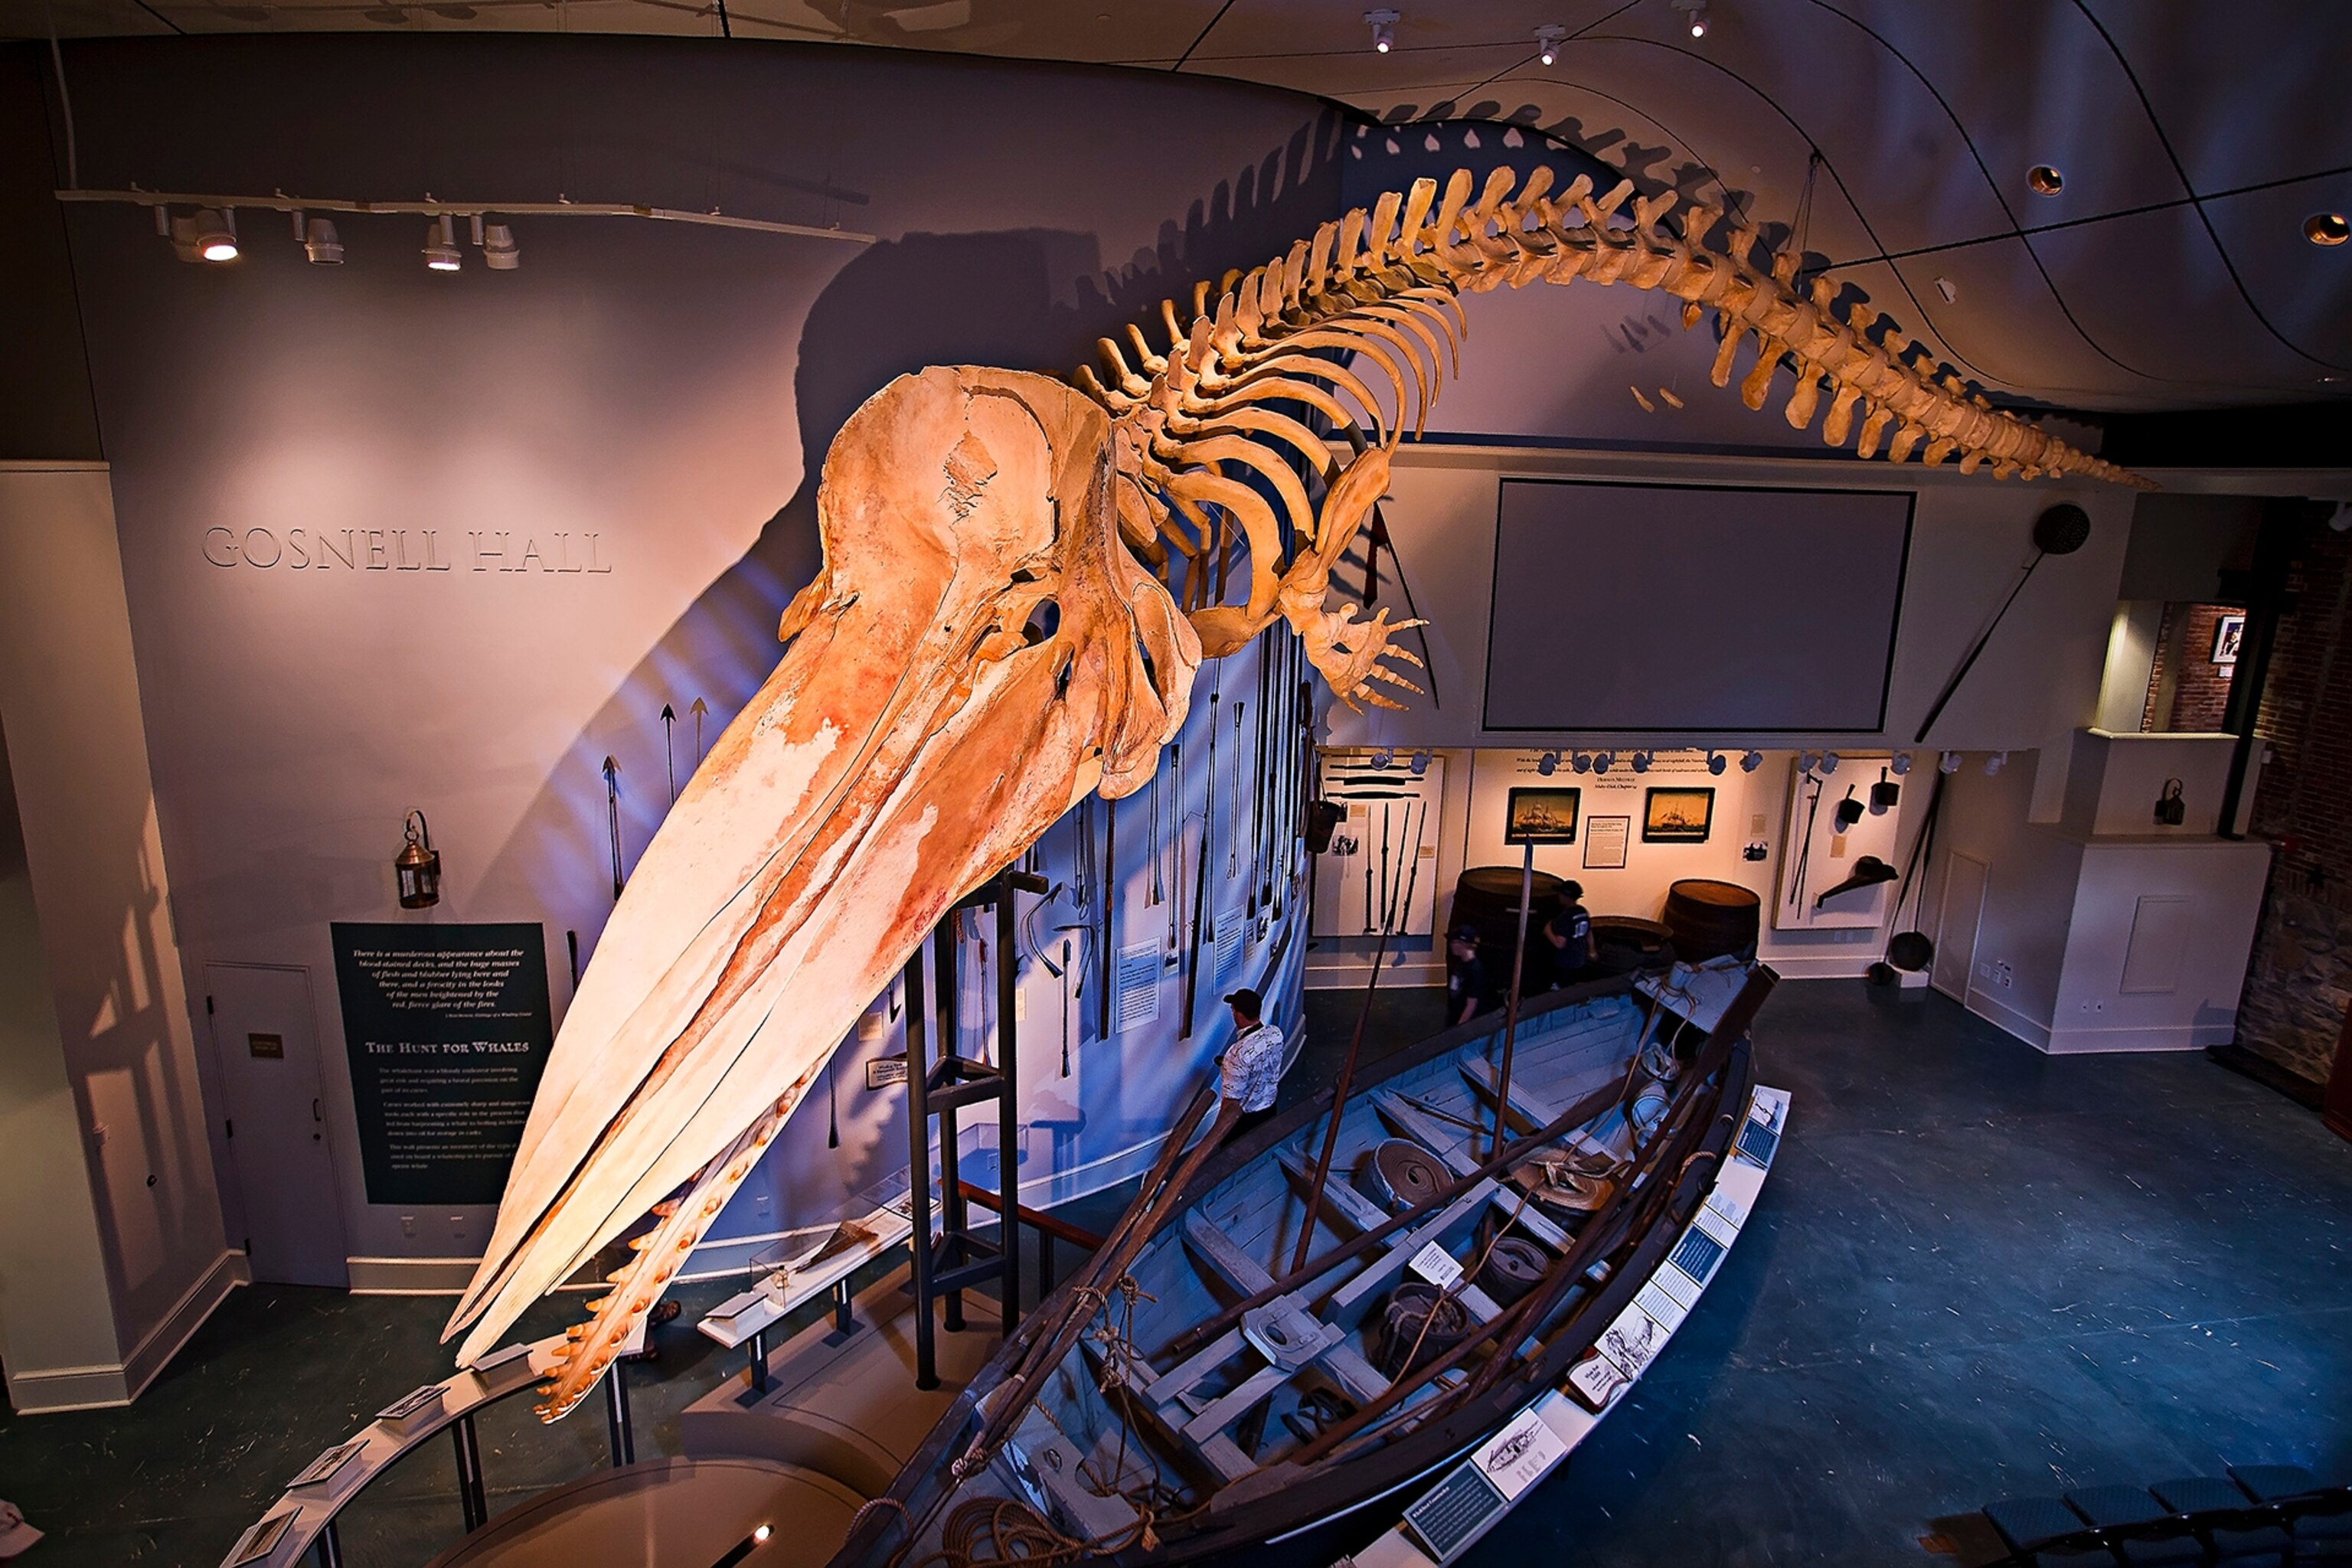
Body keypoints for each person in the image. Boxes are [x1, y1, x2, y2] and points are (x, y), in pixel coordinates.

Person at [1218, 987, 1286, 1138]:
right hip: (1270, 1109)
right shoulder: (1275, 1034)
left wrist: (1218, 1132)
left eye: (1233, 1010)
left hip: (1243, 1121)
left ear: (1238, 1015)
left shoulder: (1236, 1054)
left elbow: (1230, 1103)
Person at [1540, 881, 1596, 989]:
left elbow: (1560, 944)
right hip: (1579, 960)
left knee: (1559, 990)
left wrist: (1547, 930)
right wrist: (1592, 951)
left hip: (1565, 962)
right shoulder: (1582, 912)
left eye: (1561, 894)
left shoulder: (1565, 917)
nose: (1558, 896)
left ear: (1567, 897)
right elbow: (1589, 933)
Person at [1445, 924, 1488, 1028]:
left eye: (1455, 942)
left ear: (1464, 944)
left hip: (1465, 1024)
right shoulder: (1460, 964)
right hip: (1454, 1016)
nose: (1452, 945)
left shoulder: (1475, 970)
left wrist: (1459, 1028)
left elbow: (1471, 1004)